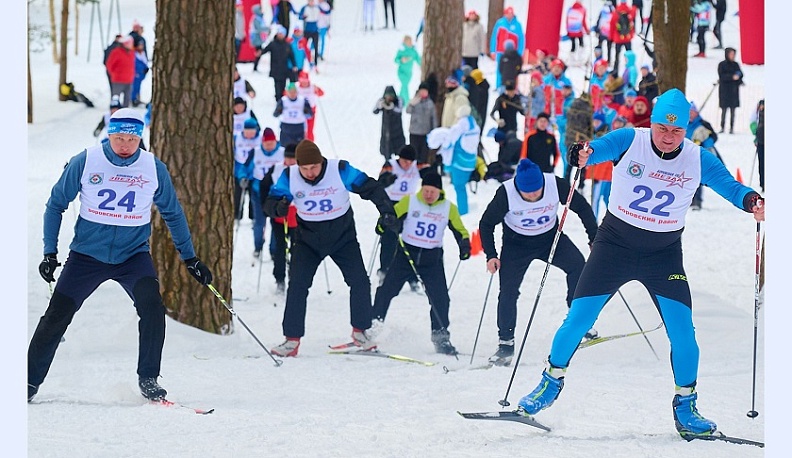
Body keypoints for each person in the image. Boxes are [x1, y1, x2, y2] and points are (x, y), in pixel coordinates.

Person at [516, 88, 765, 440]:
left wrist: (752, 200)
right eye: (662, 128)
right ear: (653, 123)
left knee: (684, 333)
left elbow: (730, 186)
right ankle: (549, 383)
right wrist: (582, 153)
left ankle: (686, 406)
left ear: (686, 129)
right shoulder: (630, 140)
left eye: (676, 131)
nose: (668, 137)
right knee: (578, 320)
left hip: (663, 255)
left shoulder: (697, 158)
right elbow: (595, 149)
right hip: (613, 247)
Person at [28, 108, 213, 403]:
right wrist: (50, 252)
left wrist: (190, 258)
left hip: (132, 257)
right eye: (119, 138)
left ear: (140, 138)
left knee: (152, 308)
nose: (125, 145)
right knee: (56, 315)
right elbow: (55, 205)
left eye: (132, 139)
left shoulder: (152, 167)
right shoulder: (86, 161)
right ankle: (28, 381)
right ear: (109, 134)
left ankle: (148, 378)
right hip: (87, 256)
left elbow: (173, 213)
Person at [263, 140, 399, 357]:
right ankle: (291, 340)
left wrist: (387, 211)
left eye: (314, 167)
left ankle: (360, 332)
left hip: (342, 237)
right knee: (297, 285)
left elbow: (370, 187)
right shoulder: (289, 176)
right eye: (304, 168)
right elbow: (270, 201)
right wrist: (277, 208)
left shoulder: (340, 170)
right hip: (307, 240)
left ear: (322, 162)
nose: (309, 173)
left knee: (359, 281)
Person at [479, 158, 598, 366]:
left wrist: (594, 238)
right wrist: (491, 254)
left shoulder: (555, 184)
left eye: (537, 190)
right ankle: (505, 343)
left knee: (578, 266)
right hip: (516, 244)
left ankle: (577, 321)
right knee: (508, 291)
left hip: (550, 239)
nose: (533, 195)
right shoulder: (506, 193)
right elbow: (486, 223)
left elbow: (582, 208)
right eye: (528, 193)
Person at [372, 172, 471, 355]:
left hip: (431, 259)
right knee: (386, 291)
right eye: (425, 190)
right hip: (405, 255)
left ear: (439, 191)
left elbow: (460, 230)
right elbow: (389, 216)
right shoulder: (410, 201)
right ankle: (372, 327)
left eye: (432, 191)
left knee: (440, 299)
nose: (428, 195)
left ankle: (441, 338)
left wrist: (464, 244)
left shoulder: (448, 208)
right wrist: (383, 224)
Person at [376, 145, 422, 291]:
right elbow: (379, 183)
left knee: (410, 241)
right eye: (404, 161)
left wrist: (436, 165)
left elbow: (430, 175)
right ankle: (385, 271)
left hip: (409, 206)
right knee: (389, 240)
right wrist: (387, 180)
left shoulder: (416, 166)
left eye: (410, 162)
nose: (407, 165)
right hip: (392, 205)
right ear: (399, 158)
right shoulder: (390, 165)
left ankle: (412, 277)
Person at [438, 105, 480, 216]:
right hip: (471, 161)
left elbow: (448, 141)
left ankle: (463, 211)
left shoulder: (458, 127)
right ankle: (463, 209)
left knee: (459, 187)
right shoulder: (475, 126)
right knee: (461, 186)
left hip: (458, 162)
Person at [686, 102, 721, 210]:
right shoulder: (683, 124)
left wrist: (704, 142)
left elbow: (713, 138)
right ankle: (688, 201)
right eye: (688, 112)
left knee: (697, 179)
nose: (690, 115)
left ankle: (697, 201)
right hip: (685, 155)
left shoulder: (704, 124)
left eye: (692, 112)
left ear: (696, 112)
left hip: (699, 155)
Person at [234, 117, 262, 224]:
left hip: (255, 173)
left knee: (253, 196)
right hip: (239, 171)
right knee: (237, 195)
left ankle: (253, 217)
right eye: (247, 132)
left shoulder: (260, 139)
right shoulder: (237, 138)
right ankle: (236, 216)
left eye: (252, 132)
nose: (249, 134)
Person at [260, 25, 298, 103]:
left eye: (282, 34)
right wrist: (259, 53)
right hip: (275, 69)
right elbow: (265, 50)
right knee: (277, 85)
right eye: (279, 34)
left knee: (283, 85)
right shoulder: (273, 44)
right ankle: (278, 99)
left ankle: (281, 98)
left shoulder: (287, 45)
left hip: (284, 69)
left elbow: (291, 56)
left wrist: (294, 65)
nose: (280, 35)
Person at [490, 7, 525, 89]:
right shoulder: (500, 23)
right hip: (500, 51)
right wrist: (493, 50)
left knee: (512, 70)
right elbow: (495, 37)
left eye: (511, 13)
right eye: (508, 13)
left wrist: (520, 52)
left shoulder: (517, 24)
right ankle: (499, 85)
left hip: (513, 53)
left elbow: (521, 39)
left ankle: (512, 87)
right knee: (500, 68)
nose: (509, 15)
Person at [406, 81, 438, 166]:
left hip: (425, 133)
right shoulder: (414, 101)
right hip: (414, 132)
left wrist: (434, 131)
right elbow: (407, 110)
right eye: (422, 91)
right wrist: (412, 104)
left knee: (424, 155)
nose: (423, 93)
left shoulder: (430, 103)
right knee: (413, 154)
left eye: (425, 91)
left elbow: (433, 118)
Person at [273, 82, 313, 147]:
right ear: (287, 92)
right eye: (290, 92)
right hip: (286, 128)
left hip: (298, 128)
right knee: (285, 148)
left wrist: (306, 112)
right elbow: (275, 114)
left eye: (294, 92)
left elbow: (310, 115)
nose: (292, 94)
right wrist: (279, 111)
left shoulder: (303, 100)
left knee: (299, 148)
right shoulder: (283, 101)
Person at [374, 85, 407, 161]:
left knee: (400, 153)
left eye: (391, 95)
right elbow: (375, 111)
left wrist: (392, 107)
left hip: (397, 132)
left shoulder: (398, 102)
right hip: (386, 133)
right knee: (387, 154)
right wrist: (381, 105)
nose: (389, 98)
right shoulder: (382, 103)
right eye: (387, 96)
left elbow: (399, 110)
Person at [717, 47, 743, 134]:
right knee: (724, 110)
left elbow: (740, 74)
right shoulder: (722, 65)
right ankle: (722, 126)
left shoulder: (735, 65)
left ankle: (732, 127)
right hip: (724, 90)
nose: (732, 56)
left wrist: (738, 77)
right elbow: (722, 76)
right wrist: (732, 77)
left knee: (733, 110)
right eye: (731, 54)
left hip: (733, 91)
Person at [105, 35, 135, 107]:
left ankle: (125, 112)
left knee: (127, 99)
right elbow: (109, 65)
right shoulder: (116, 52)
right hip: (118, 79)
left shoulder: (132, 53)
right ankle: (114, 110)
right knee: (115, 98)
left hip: (129, 79)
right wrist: (114, 74)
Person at [298, 0, 330, 66]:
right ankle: (303, 60)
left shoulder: (317, 7)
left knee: (316, 47)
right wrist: (303, 17)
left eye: (312, 1)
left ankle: (315, 63)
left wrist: (329, 10)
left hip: (315, 30)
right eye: (310, 1)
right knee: (304, 46)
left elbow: (325, 12)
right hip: (307, 30)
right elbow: (299, 16)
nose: (311, 2)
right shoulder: (304, 8)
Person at [609, 0, 636, 75]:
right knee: (630, 56)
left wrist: (611, 38)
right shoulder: (630, 11)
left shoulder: (616, 12)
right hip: (627, 37)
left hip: (618, 38)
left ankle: (615, 71)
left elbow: (612, 25)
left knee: (617, 55)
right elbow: (631, 23)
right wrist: (631, 35)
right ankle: (631, 71)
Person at [296, 71, 324, 142]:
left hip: (311, 110)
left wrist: (317, 90)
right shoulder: (296, 88)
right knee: (300, 129)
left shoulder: (312, 87)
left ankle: (310, 143)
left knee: (310, 129)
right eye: (302, 81)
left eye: (305, 81)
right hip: (299, 111)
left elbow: (321, 93)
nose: (304, 83)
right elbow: (287, 95)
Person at [394, 35, 421, 102]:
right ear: (404, 42)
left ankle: (400, 100)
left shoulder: (413, 51)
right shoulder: (401, 50)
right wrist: (401, 60)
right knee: (404, 85)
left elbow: (418, 59)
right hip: (401, 72)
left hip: (409, 73)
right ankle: (406, 101)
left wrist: (421, 65)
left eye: (410, 42)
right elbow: (396, 60)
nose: (410, 43)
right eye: (408, 42)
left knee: (404, 86)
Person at [249, 4, 270, 72]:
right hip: (256, 38)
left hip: (259, 37)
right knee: (259, 52)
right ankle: (255, 67)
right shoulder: (256, 19)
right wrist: (267, 28)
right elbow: (259, 28)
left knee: (259, 52)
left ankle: (255, 66)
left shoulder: (260, 18)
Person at [749, 99, 764, 192]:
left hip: (761, 138)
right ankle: (763, 183)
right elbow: (753, 120)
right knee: (762, 162)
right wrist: (756, 133)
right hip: (761, 139)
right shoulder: (760, 104)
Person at [131, 37, 150, 107]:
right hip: (136, 74)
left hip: (142, 74)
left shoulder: (143, 53)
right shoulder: (134, 54)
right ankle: (133, 99)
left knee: (138, 87)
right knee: (134, 87)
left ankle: (137, 98)